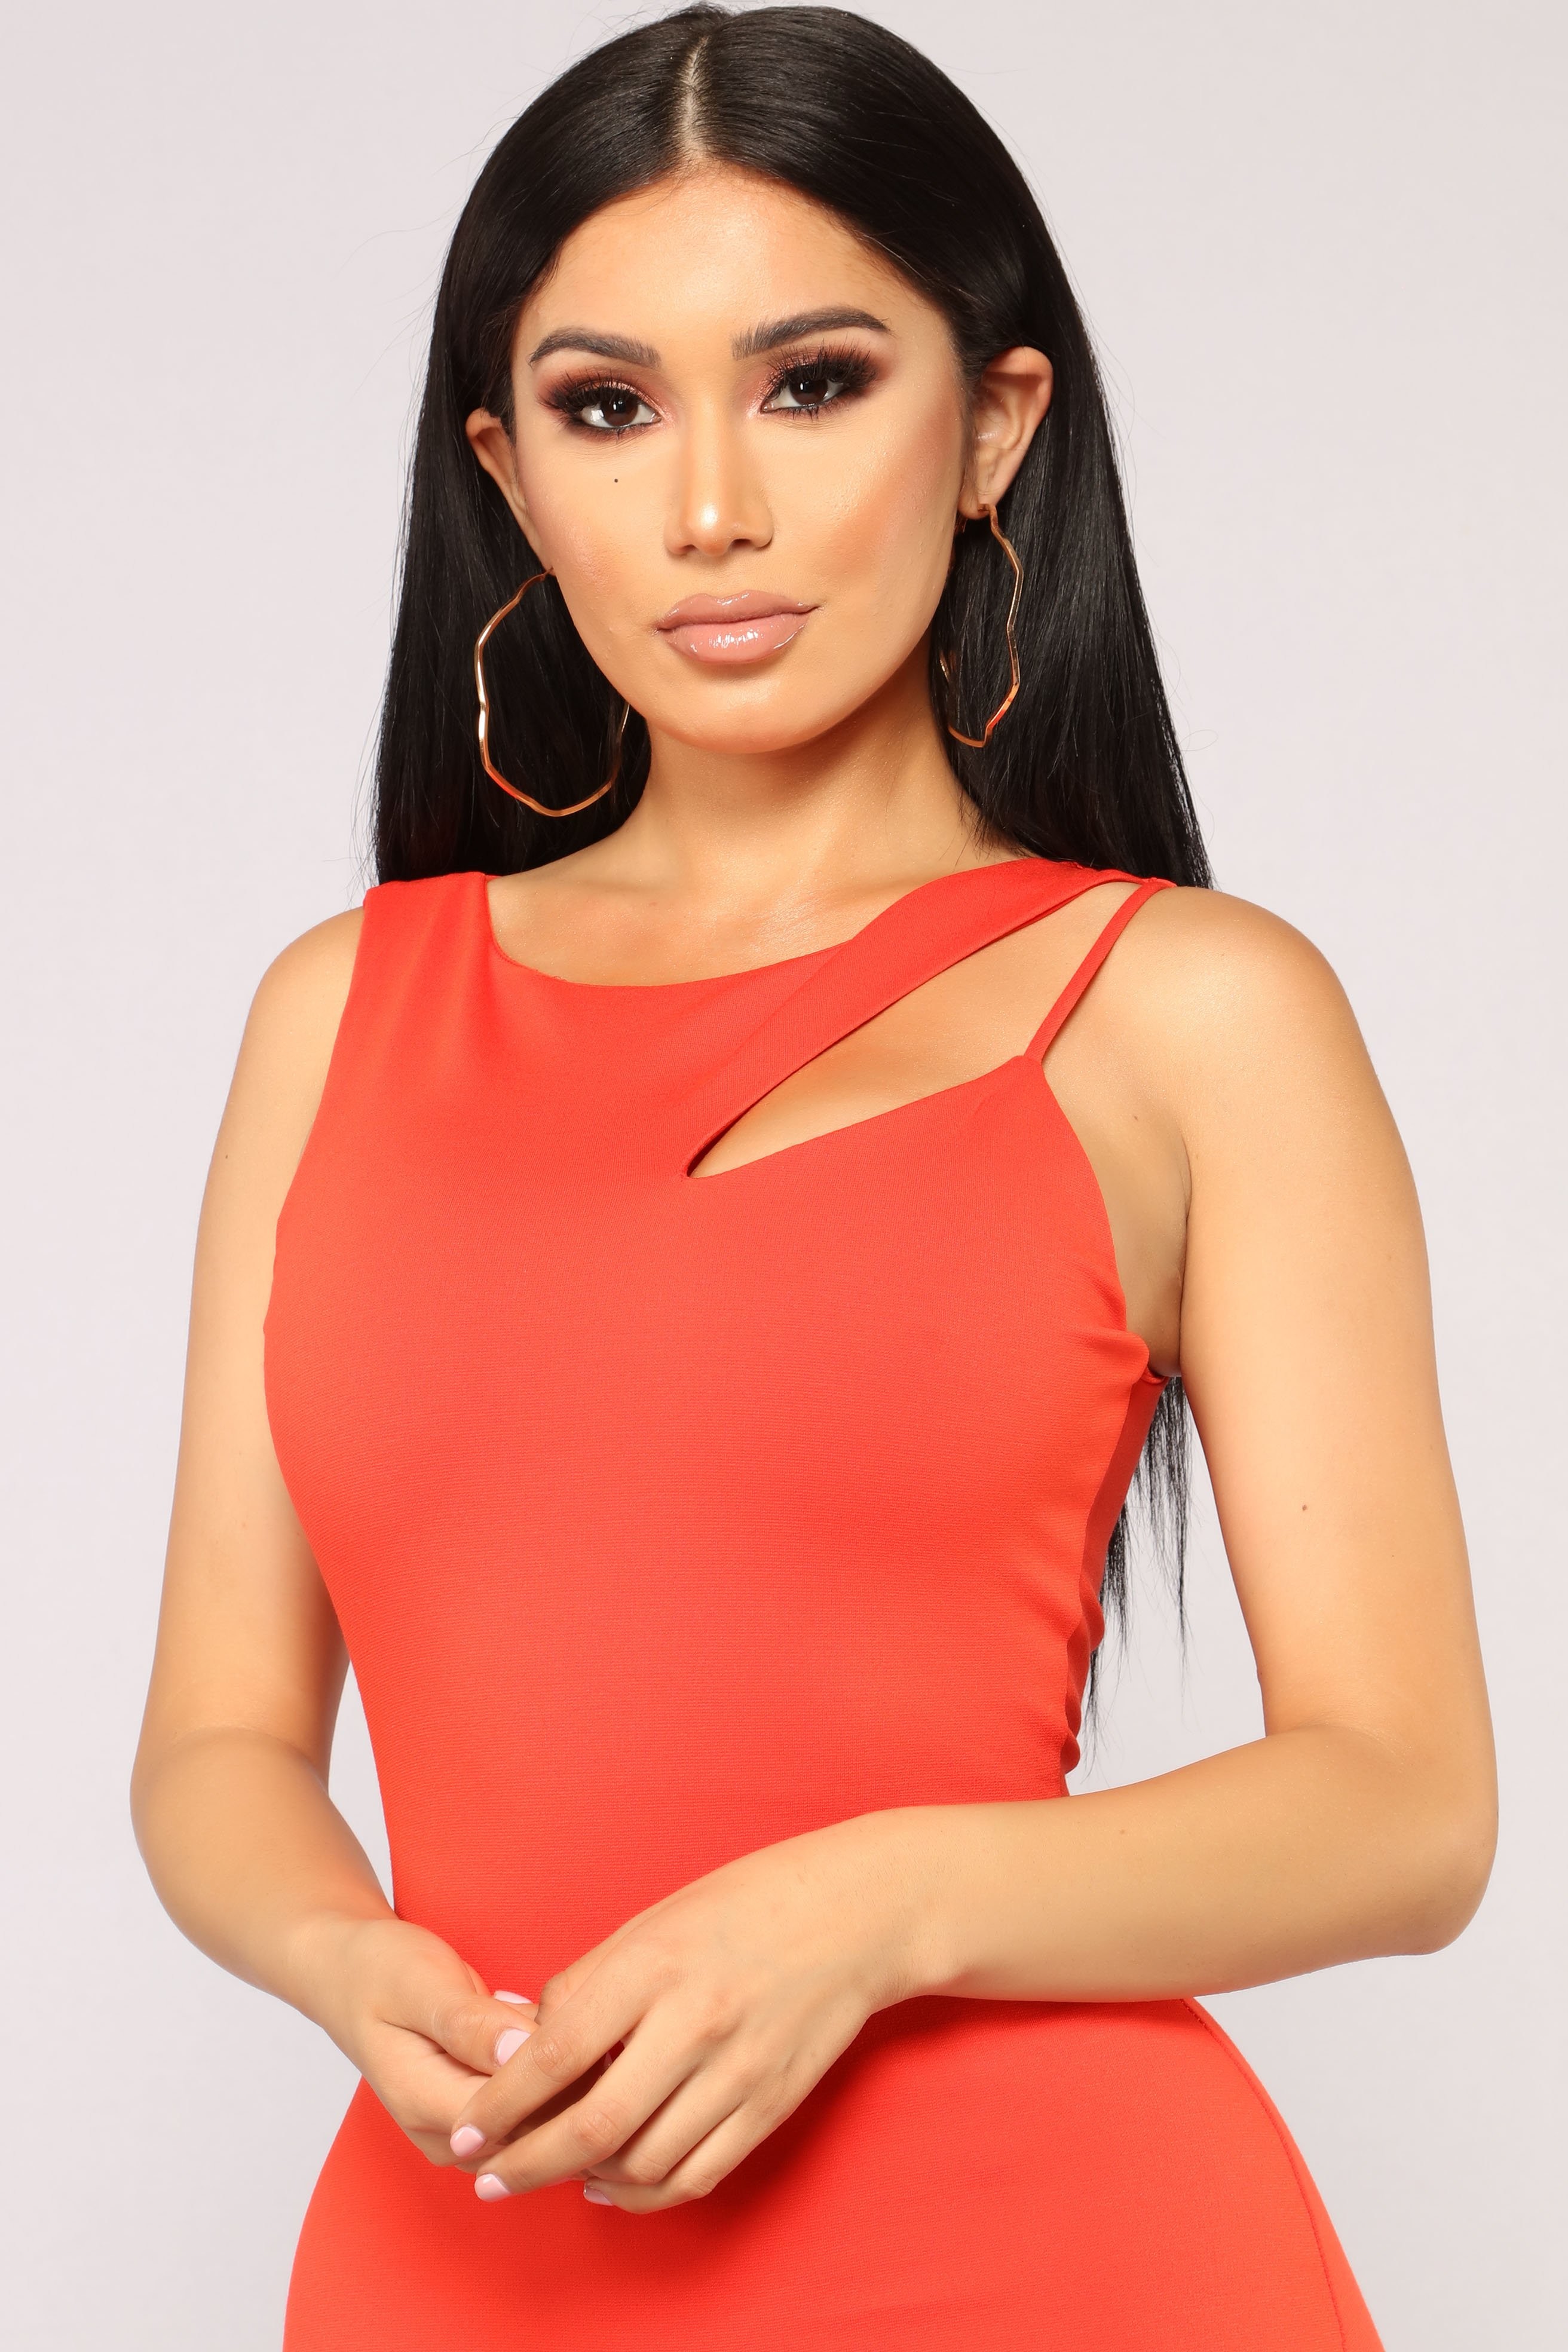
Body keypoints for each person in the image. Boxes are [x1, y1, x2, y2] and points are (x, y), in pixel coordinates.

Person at [130, 8, 1497, 2347]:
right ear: (508, 474)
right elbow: (217, 1746)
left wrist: (858, 1912)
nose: (708, 512)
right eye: (606, 409)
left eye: (812, 384)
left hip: (1051, 2260)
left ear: (995, 425)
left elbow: (1404, 1808)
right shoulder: (338, 1011)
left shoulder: (1186, 1011)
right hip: (462, 2238)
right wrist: (341, 1954)